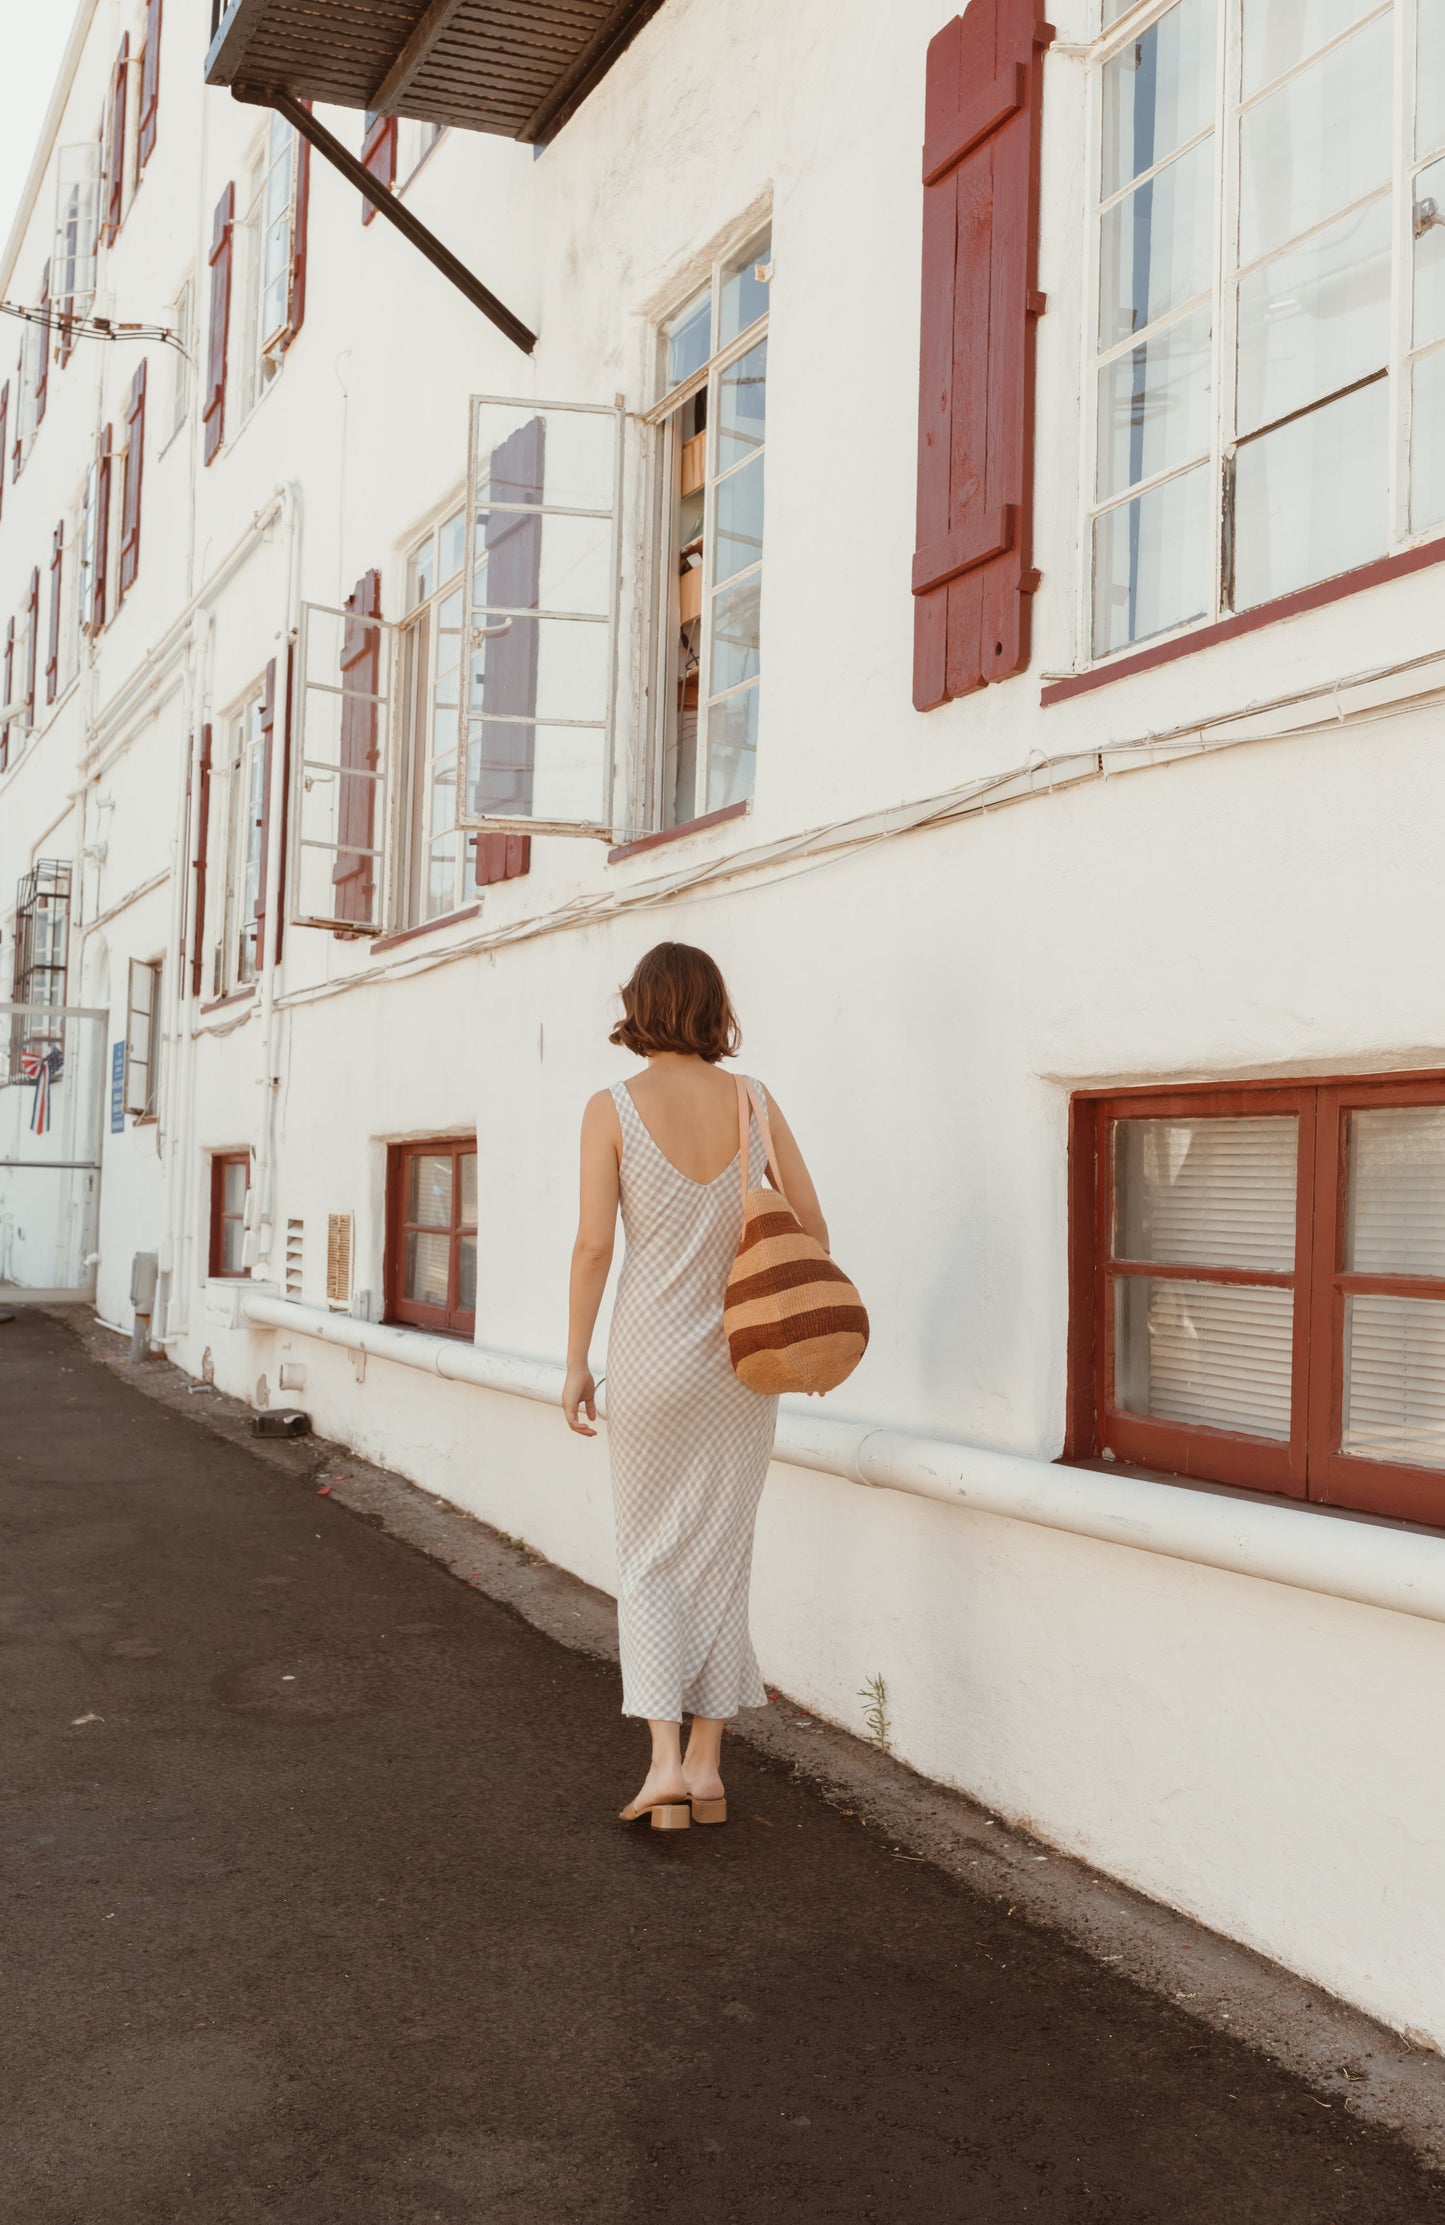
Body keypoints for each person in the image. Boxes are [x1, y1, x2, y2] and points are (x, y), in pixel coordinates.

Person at [563, 941, 828, 1829]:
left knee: (647, 1557)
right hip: (741, 1365)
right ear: (714, 1006)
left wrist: (574, 1360)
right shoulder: (753, 1100)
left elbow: (595, 1245)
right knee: (721, 1553)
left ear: (639, 1006)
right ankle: (709, 1767)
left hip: (648, 1359)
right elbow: (810, 1225)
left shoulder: (611, 1107)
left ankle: (664, 1765)